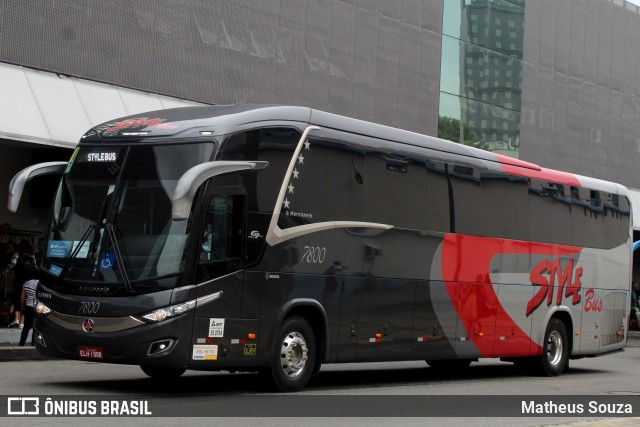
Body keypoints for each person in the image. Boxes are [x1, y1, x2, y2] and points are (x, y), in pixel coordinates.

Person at [3, 239, 36, 328]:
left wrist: (5, 271)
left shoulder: (17, 255)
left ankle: (17, 318)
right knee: (27, 299)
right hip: (29, 280)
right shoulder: (32, 256)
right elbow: (35, 267)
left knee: (17, 298)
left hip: (19, 280)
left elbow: (10, 265)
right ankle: (23, 321)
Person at [19, 268, 39, 346]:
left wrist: (22, 306)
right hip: (37, 308)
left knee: (26, 326)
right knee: (35, 327)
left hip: (28, 307)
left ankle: (21, 343)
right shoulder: (40, 284)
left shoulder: (26, 283)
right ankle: (33, 344)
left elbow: (22, 297)